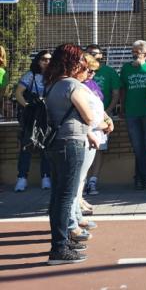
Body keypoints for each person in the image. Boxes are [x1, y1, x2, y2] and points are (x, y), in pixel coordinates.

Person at [44, 43, 98, 265]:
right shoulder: (71, 85)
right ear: (71, 62)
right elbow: (89, 116)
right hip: (71, 143)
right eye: (78, 60)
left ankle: (62, 242)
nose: (81, 64)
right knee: (66, 196)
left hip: (56, 143)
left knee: (58, 195)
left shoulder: (52, 84)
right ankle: (59, 248)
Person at [68, 53, 113, 243]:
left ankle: (77, 216)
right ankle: (72, 223)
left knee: (81, 179)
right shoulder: (75, 87)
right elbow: (82, 115)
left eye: (94, 71)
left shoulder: (90, 85)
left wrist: (107, 118)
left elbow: (98, 107)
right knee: (75, 182)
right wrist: (100, 125)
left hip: (94, 134)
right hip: (85, 135)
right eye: (88, 70)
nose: (91, 74)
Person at [14, 50, 52, 192]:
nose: (47, 62)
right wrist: (27, 106)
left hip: (47, 116)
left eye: (49, 59)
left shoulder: (54, 76)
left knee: (46, 146)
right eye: (43, 59)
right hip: (32, 116)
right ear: (37, 61)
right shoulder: (31, 75)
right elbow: (18, 92)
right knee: (27, 145)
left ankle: (46, 177)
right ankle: (22, 178)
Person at [84, 44, 119, 196]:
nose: (91, 73)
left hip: (101, 122)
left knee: (98, 150)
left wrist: (107, 114)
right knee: (84, 151)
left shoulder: (109, 72)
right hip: (84, 122)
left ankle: (93, 181)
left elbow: (115, 94)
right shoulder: (78, 76)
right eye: (90, 53)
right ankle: (82, 183)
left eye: (96, 54)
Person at [120, 40, 146, 190]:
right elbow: (123, 89)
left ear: (145, 54)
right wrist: (122, 107)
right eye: (133, 51)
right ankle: (144, 178)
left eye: (137, 51)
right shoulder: (126, 68)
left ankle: (140, 178)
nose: (134, 54)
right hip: (131, 112)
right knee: (137, 146)